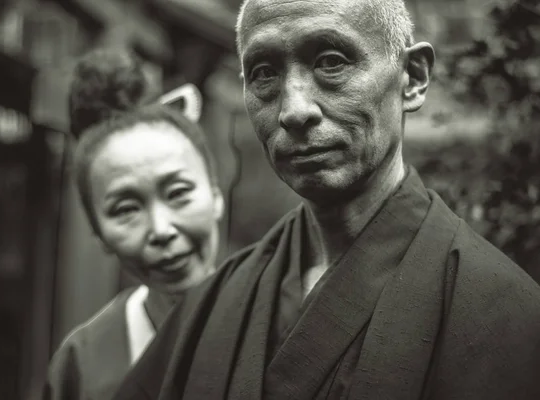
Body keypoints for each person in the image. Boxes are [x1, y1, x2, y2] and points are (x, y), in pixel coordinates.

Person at [112, 0, 540, 399]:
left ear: (412, 77)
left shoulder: (502, 313)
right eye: (264, 72)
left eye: (331, 62)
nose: (294, 109)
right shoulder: (213, 307)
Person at [43, 48, 224, 400]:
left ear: (215, 195)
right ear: (99, 233)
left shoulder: (283, 328)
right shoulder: (82, 362)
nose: (161, 230)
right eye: (126, 209)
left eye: (179, 193)